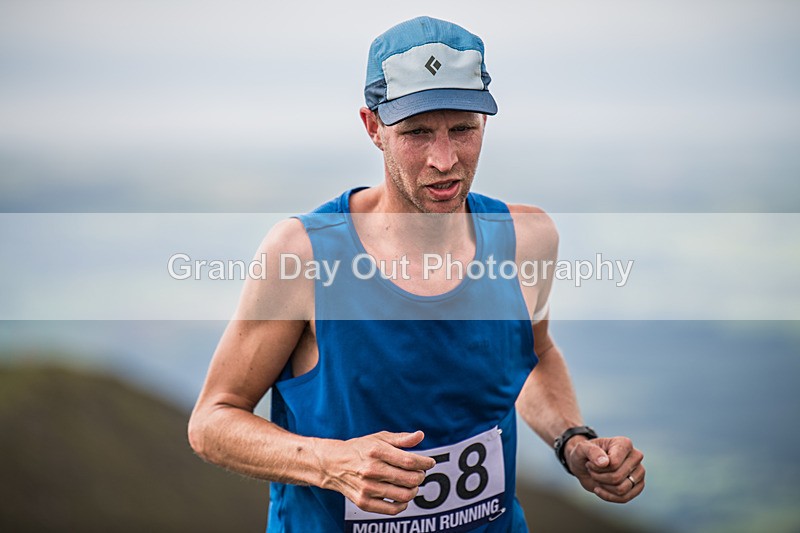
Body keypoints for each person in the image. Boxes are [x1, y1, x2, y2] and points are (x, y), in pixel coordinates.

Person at [188, 16, 645, 532]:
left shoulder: (527, 239)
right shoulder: (304, 255)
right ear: (373, 127)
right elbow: (212, 422)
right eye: (418, 133)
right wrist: (331, 463)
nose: (445, 160)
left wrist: (572, 441)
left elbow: (533, 355)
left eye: (464, 129)